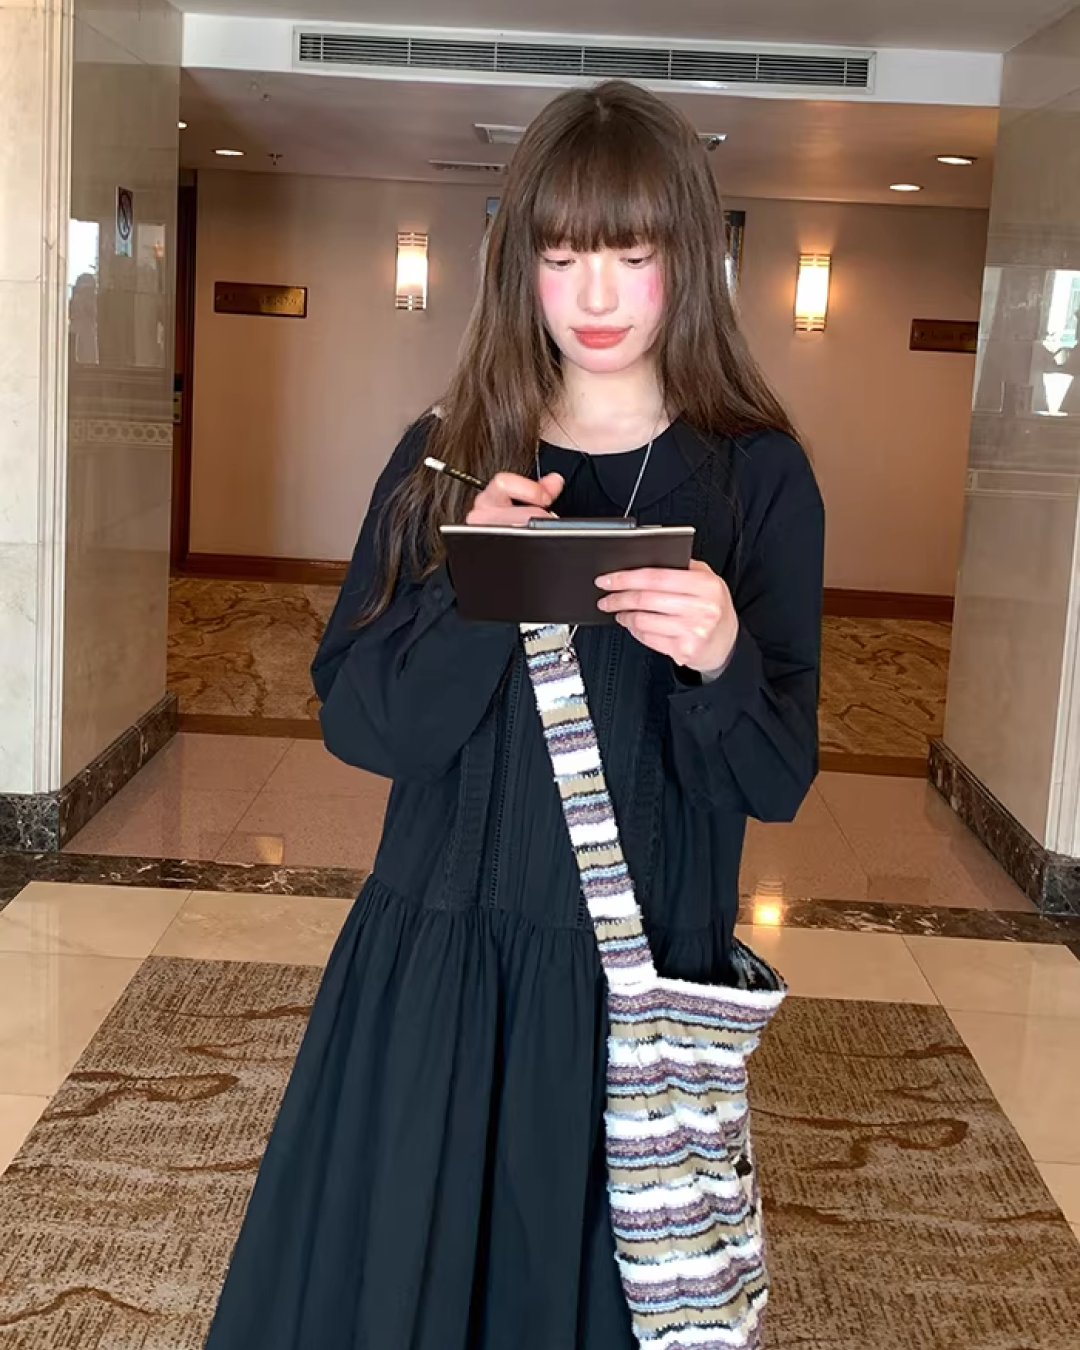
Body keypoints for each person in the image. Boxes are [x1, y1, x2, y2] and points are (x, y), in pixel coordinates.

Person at [204, 79, 824, 1350]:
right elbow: (361, 723)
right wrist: (465, 585)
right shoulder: (446, 454)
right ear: (518, 264)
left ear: (689, 260)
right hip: (435, 965)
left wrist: (720, 656)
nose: (597, 296)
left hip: (628, 987)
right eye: (562, 255)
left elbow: (777, 779)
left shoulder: (756, 477)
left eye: (633, 257)